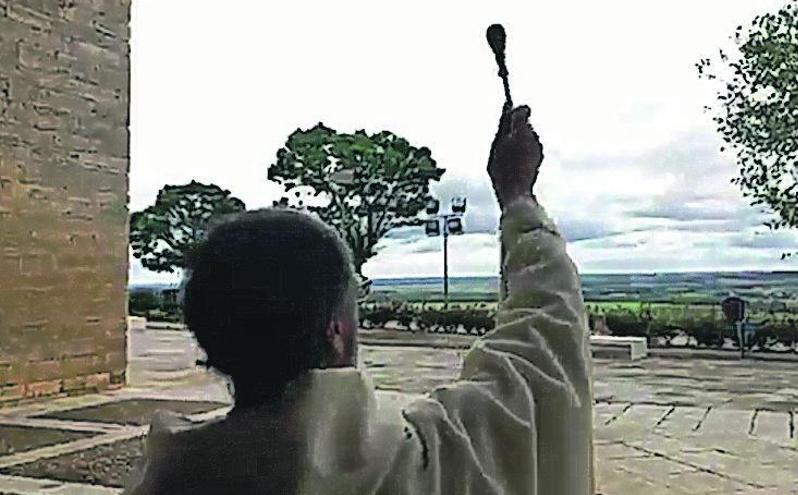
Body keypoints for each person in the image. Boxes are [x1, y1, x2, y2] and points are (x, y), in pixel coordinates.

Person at [124, 104, 593, 494]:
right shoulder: (419, 465)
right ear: (335, 331)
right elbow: (543, 347)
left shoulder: (172, 478)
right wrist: (517, 197)